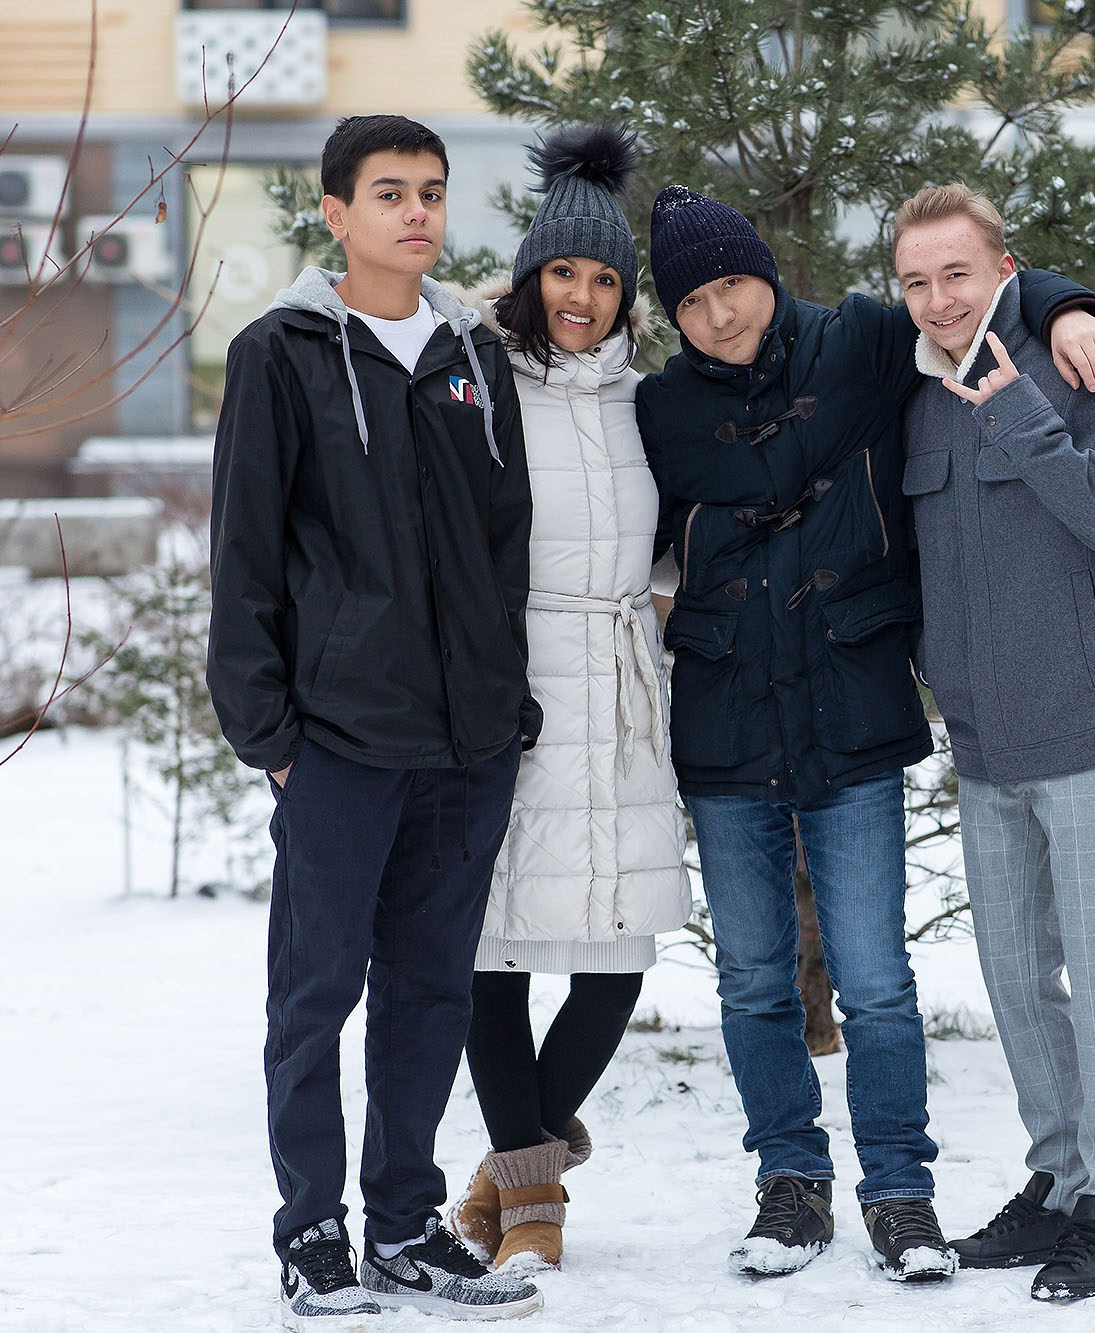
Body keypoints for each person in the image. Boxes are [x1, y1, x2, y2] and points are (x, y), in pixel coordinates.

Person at [635, 185, 1095, 1283]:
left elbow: (971, 294)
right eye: (692, 300)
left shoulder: (858, 336)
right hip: (724, 719)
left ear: (767, 271)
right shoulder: (659, 407)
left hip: (850, 706)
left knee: (876, 980)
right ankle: (789, 1182)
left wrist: (1065, 306)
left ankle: (900, 1191)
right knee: (753, 979)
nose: (719, 313)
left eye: (733, 283)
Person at [208, 114, 542, 1327]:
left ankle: (404, 1223)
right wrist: (273, 736)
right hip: (339, 741)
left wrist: (504, 696)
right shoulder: (282, 352)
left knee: (430, 993)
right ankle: (313, 1232)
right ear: (336, 213)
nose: (416, 212)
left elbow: (503, 544)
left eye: (433, 192)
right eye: (389, 192)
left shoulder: (472, 355)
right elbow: (243, 555)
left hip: (467, 740)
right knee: (314, 994)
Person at [890, 183, 1095, 1302]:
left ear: (1003, 265)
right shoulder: (914, 388)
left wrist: (1024, 405)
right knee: (1015, 970)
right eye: (915, 281)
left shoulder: (1069, 362)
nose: (937, 300)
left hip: (1091, 714)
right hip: (985, 731)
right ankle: (1057, 1179)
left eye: (956, 275)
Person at [446, 122, 693, 1275]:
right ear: (529, 278)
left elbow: (683, 535)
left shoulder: (648, 401)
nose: (581, 296)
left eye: (602, 278)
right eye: (562, 273)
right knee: (488, 953)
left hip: (622, 680)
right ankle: (534, 1205)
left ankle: (508, 1167)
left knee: (616, 950)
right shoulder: (480, 383)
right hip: (514, 687)